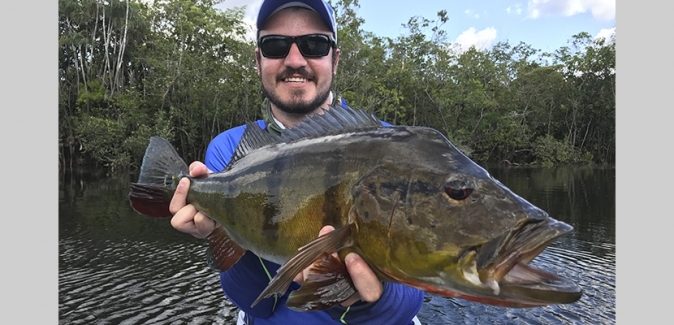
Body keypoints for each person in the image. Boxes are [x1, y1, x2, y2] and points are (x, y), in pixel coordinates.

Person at [168, 0, 425, 324]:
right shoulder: (229, 148)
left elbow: (408, 304)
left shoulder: (390, 146)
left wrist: (360, 299)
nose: (294, 59)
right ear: (258, 59)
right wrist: (226, 231)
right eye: (275, 45)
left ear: (335, 58)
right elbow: (257, 305)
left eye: (313, 44)